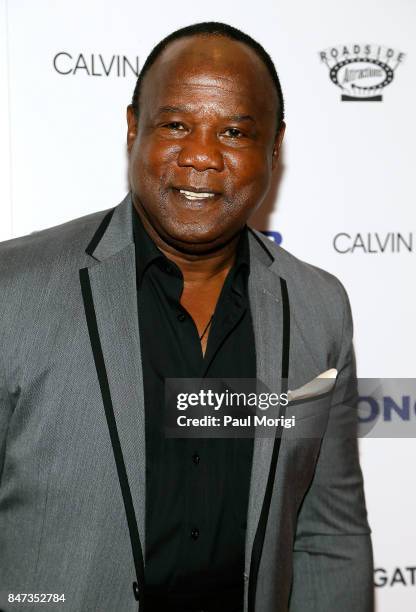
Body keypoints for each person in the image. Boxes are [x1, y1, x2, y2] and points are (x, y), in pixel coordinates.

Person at [0, 21, 373, 612]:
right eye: (176, 125)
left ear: (275, 145)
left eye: (233, 131)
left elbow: (329, 532)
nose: (201, 155)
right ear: (133, 129)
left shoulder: (318, 306)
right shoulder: (13, 289)